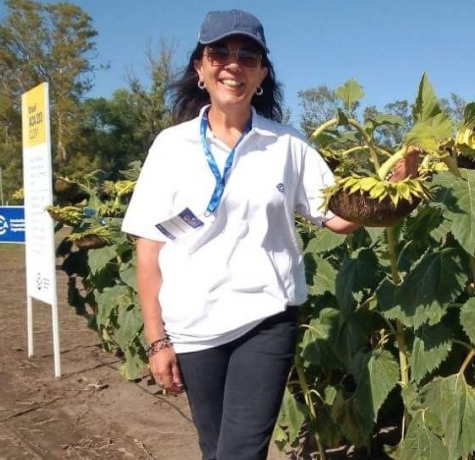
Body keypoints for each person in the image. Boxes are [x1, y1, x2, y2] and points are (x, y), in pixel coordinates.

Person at [121, 9, 416, 460]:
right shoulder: (170, 147)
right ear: (200, 67)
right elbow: (149, 247)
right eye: (219, 52)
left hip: (265, 317)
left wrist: (393, 191)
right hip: (193, 326)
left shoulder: (288, 145)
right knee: (214, 447)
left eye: (248, 55)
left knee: (241, 452)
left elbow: (335, 218)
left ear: (261, 73)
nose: (232, 64)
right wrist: (157, 338)